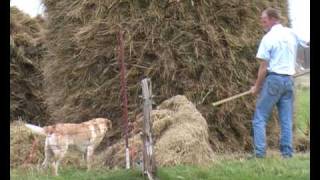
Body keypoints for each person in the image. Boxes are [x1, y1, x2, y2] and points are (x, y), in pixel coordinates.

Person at [250, 7, 309, 158]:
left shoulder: (268, 38)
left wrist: (256, 87)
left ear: (272, 19)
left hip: (274, 80)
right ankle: (287, 154)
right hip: (289, 81)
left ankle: (259, 153)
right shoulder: (291, 33)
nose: (262, 23)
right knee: (286, 120)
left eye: (264, 20)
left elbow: (263, 67)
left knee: (260, 117)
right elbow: (307, 42)